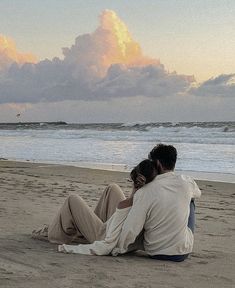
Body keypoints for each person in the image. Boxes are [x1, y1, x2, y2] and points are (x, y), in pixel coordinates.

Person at [112, 144, 201, 261]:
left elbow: (132, 227)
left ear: (157, 163)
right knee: (190, 199)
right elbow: (198, 193)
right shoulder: (186, 181)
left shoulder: (145, 191)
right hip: (183, 252)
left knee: (150, 206)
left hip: (156, 251)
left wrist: (120, 247)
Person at [57, 159, 157, 255]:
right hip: (129, 241)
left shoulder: (128, 203)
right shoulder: (153, 197)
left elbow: (109, 242)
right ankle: (86, 230)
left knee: (72, 200)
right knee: (112, 188)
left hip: (106, 238)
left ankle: (56, 234)